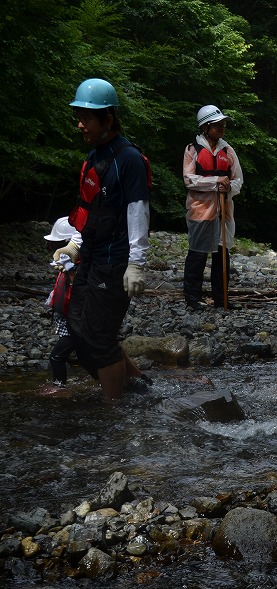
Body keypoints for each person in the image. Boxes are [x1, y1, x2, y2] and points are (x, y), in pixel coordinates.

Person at [54, 78, 151, 399]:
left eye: (87, 118)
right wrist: (74, 246)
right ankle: (139, 386)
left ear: (107, 119)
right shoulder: (94, 159)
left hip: (117, 262)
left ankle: (114, 411)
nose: (80, 125)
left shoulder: (129, 160)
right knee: (79, 330)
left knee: (97, 338)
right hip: (93, 258)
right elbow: (91, 214)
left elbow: (138, 212)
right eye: (78, 117)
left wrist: (136, 264)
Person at [183, 105, 244, 310]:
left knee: (222, 256)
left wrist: (227, 188)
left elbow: (238, 180)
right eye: (218, 125)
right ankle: (192, 299)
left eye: (223, 124)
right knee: (198, 255)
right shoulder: (193, 149)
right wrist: (216, 182)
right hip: (200, 211)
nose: (222, 128)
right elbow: (189, 180)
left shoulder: (228, 150)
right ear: (206, 127)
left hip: (223, 211)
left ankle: (221, 299)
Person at [44, 217, 79, 387]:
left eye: (56, 245)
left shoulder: (79, 264)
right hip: (70, 321)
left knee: (56, 357)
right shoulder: (66, 263)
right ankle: (137, 379)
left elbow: (79, 292)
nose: (53, 249)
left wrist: (70, 270)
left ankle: (60, 388)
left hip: (76, 324)